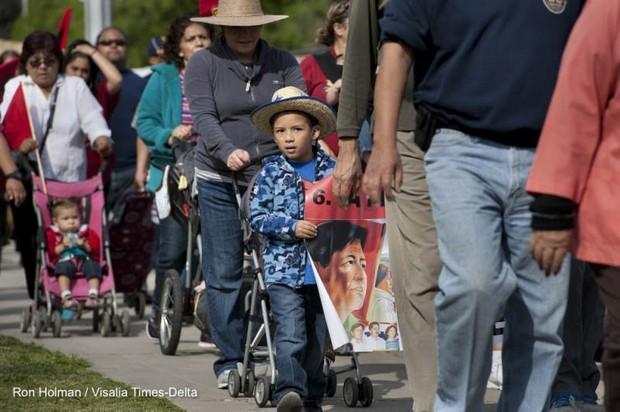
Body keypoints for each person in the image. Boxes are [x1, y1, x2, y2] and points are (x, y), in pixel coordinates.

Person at [368, 1, 584, 410]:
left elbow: (600, 48)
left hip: (552, 152)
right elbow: (395, 49)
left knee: (543, 311)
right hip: (460, 146)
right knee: (474, 283)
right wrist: (382, 144)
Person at [185, 0, 306, 388]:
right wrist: (226, 150)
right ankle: (231, 360)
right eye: (236, 26)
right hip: (220, 175)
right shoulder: (203, 63)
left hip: (273, 174)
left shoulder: (283, 60)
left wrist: (261, 152)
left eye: (252, 25)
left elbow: (297, 110)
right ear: (220, 27)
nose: (245, 32)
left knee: (283, 265)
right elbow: (204, 117)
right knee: (224, 272)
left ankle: (294, 354)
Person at [331, 1, 440, 409]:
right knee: (421, 273)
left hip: (486, 127)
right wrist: (349, 143)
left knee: (481, 277)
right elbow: (361, 49)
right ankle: (433, 401)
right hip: (409, 132)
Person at [526, 1, 620, 410]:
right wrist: (553, 208)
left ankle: (582, 378)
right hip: (604, 206)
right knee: (570, 295)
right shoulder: (607, 11)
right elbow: (573, 109)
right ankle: (567, 381)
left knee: (587, 304)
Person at [1, 31, 112, 300]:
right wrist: (18, 151)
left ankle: (75, 293)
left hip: (70, 184)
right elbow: (3, 130)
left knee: (71, 241)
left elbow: (93, 120)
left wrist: (100, 139)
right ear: (25, 64)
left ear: (58, 62)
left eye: (49, 61)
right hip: (31, 178)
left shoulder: (74, 86)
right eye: (35, 62)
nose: (42, 67)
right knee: (33, 242)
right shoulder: (16, 87)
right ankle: (39, 297)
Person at [249, 85, 336, 412]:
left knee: (316, 342)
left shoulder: (332, 172)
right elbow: (257, 215)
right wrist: (290, 226)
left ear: (314, 133)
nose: (288, 137)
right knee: (291, 334)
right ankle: (289, 390)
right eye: (280, 131)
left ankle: (311, 396)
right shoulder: (271, 172)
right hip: (284, 271)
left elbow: (347, 212)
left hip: (323, 272)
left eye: (296, 130)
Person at [136, 16, 213, 344]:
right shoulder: (164, 78)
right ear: (179, 49)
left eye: (204, 38)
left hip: (213, 169)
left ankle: (209, 313)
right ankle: (159, 313)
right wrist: (169, 134)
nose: (199, 43)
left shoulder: (219, 74)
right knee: (173, 248)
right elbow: (145, 123)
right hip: (175, 172)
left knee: (212, 247)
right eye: (192, 38)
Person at [95, 27, 148, 208]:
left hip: (132, 172)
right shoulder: (87, 82)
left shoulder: (141, 83)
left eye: (119, 42)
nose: (114, 46)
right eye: (107, 42)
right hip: (96, 171)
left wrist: (142, 169)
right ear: (97, 48)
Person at [64, 39, 122, 182]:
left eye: (84, 71)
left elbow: (116, 80)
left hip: (96, 174)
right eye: (74, 69)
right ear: (64, 68)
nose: (79, 75)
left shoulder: (99, 93)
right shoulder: (54, 93)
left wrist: (92, 52)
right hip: (62, 173)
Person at [300, 0, 349, 155]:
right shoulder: (311, 64)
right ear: (339, 28)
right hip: (322, 162)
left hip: (367, 165)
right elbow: (295, 111)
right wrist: (316, 143)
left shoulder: (374, 65)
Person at [306, 219, 368, 328]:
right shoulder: (307, 326)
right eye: (350, 262)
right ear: (319, 266)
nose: (361, 276)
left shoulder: (362, 331)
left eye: (363, 265)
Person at [45, 198, 102, 309]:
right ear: (56, 221)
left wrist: (84, 245)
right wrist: (63, 245)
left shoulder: (85, 231)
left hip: (83, 259)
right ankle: (66, 296)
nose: (71, 221)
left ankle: (93, 295)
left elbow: (94, 249)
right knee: (62, 269)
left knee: (93, 266)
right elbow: (52, 252)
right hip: (65, 260)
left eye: (75, 217)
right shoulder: (53, 234)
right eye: (66, 219)